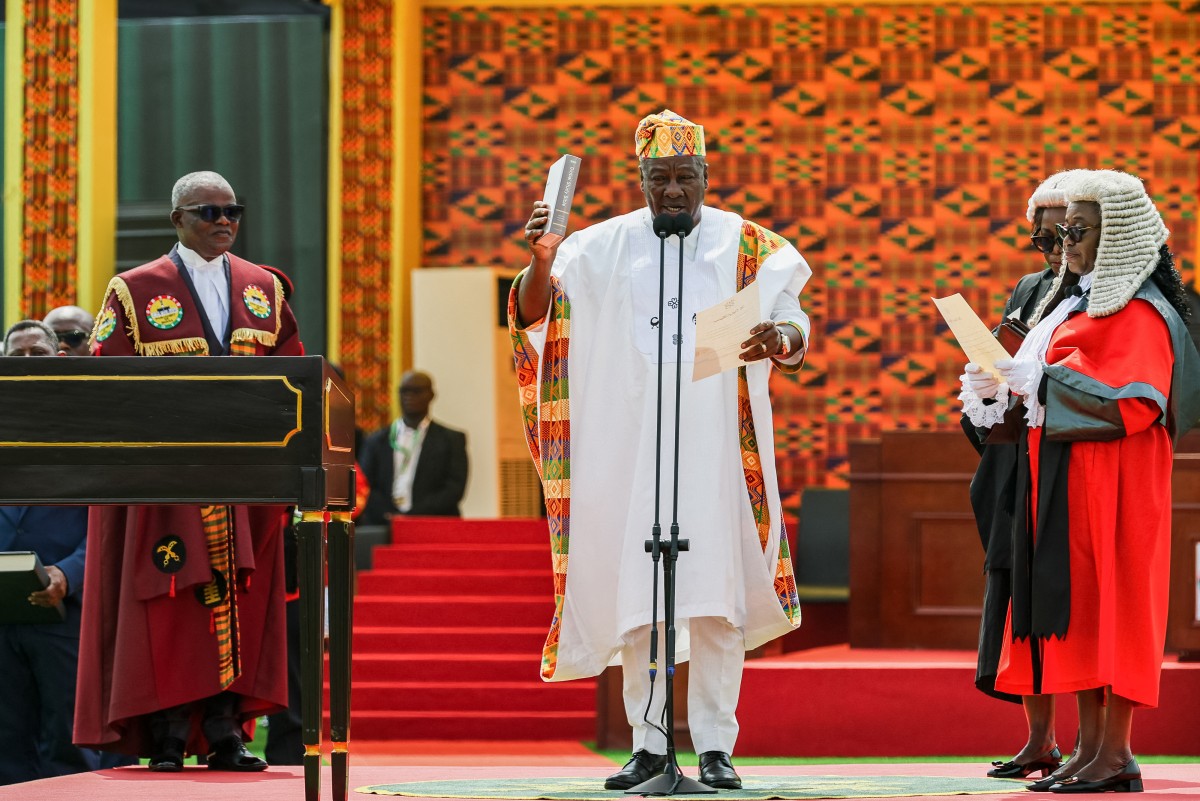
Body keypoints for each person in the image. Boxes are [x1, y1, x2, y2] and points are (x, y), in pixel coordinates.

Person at [511, 110, 810, 790]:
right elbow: (533, 317)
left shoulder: (747, 243)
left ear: (707, 175)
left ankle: (714, 745)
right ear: (640, 179)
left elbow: (792, 314)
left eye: (685, 178)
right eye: (659, 179)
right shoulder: (596, 248)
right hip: (631, 451)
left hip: (718, 451)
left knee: (717, 599)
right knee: (641, 597)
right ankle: (649, 743)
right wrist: (540, 258)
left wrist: (784, 341)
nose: (673, 192)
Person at [960, 169, 1200, 793]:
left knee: (1117, 607)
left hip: (1119, 486)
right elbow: (1042, 387)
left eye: (1080, 230)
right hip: (1070, 481)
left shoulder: (1143, 311)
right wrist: (998, 391)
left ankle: (1116, 752)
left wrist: (1036, 383)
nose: (1066, 241)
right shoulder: (1074, 304)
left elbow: (1137, 401)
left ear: (1116, 236)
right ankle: (1091, 750)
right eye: (1063, 229)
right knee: (1088, 610)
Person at [74, 170, 303, 772]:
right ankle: (169, 733)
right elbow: (104, 385)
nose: (223, 221)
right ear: (177, 219)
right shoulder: (133, 289)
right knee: (170, 601)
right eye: (208, 211)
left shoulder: (265, 287)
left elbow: (294, 377)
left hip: (246, 482)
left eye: (233, 210)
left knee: (240, 601)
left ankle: (228, 731)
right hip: (165, 482)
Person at [962, 173, 1084, 780]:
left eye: (1065, 236)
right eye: (1043, 242)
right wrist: (986, 385)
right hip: (1017, 463)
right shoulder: (1032, 288)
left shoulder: (1107, 291)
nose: (1056, 253)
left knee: (1072, 599)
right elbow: (1006, 355)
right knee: (1019, 596)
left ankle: (1097, 747)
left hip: (1073, 462)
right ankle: (1040, 740)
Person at [0, 321, 104, 784]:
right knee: (5, 744)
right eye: (15, 356)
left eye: (37, 354)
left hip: (65, 609)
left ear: (59, 358)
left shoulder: (90, 431)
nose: (25, 365)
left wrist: (69, 574)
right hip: (1, 616)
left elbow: (106, 521)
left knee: (68, 742)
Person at [359, 370, 469, 524]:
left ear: (431, 395)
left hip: (434, 524)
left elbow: (454, 488)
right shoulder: (375, 441)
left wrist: (413, 516)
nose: (409, 396)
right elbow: (365, 484)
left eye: (416, 391)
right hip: (383, 524)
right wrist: (389, 514)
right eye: (404, 391)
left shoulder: (451, 440)